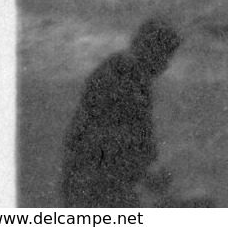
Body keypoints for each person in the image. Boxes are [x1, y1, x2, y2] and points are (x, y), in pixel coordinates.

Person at [60, 17, 181, 208]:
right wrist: (148, 173)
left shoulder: (124, 74)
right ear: (150, 50)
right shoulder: (126, 77)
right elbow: (121, 142)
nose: (165, 66)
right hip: (98, 192)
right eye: (164, 56)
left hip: (91, 188)